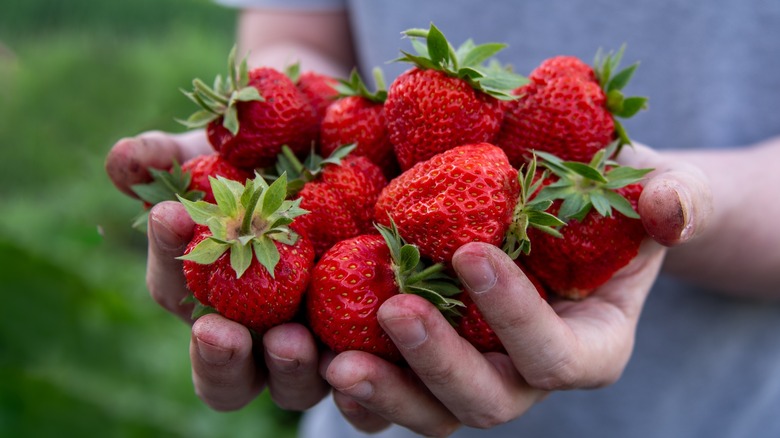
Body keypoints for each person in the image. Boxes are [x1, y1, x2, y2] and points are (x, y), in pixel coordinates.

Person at [105, 1, 780, 436]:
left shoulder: (489, 180)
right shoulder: (445, 176)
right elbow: (294, 32)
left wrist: (665, 212)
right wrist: (278, 133)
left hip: (714, 410)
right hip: (374, 371)